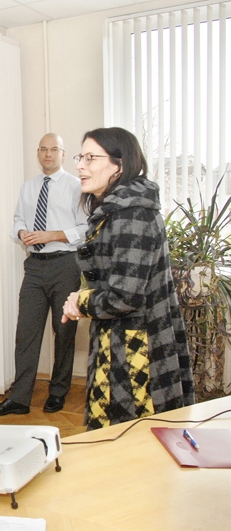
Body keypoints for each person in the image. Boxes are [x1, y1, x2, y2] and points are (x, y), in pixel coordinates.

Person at [61, 127, 194, 429]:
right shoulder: (118, 209)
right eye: (80, 157)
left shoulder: (131, 214)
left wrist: (80, 302)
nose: (80, 165)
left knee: (134, 442)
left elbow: (125, 296)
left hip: (138, 349)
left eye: (90, 158)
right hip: (120, 339)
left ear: (119, 165)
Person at [0, 133, 88, 417]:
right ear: (38, 153)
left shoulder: (76, 187)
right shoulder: (29, 187)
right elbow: (18, 219)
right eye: (43, 149)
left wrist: (53, 234)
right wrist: (21, 232)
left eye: (54, 149)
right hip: (34, 265)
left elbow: (86, 229)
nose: (48, 154)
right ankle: (19, 398)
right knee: (26, 332)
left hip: (65, 264)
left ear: (63, 154)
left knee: (63, 332)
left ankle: (58, 392)